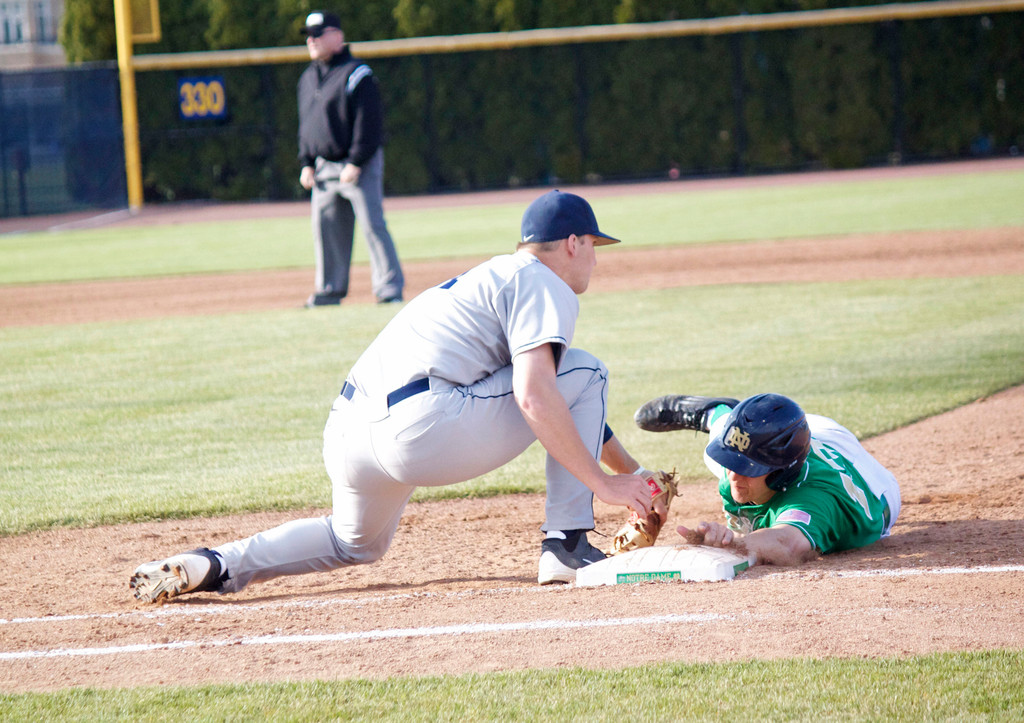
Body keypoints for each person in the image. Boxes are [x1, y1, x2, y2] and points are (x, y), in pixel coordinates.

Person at [130, 190, 657, 603]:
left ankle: (214, 563)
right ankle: (566, 545)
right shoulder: (544, 282)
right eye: (594, 245)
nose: (595, 259)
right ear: (573, 243)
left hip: (350, 433)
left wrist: (633, 472)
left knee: (353, 542)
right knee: (588, 369)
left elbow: (559, 400)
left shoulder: (495, 278)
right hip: (424, 425)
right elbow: (538, 397)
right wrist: (605, 487)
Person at [633, 393, 901, 565]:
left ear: (781, 471)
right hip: (810, 438)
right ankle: (714, 413)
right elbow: (742, 464)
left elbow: (786, 543)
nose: (733, 474)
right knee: (719, 452)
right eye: (733, 464)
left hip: (872, 481)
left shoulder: (813, 499)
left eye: (748, 467)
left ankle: (722, 415)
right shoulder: (739, 471)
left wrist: (728, 544)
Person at [297, 10, 404, 307]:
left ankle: (389, 290)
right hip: (322, 168)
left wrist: (356, 161)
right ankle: (329, 290)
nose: (311, 40)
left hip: (358, 165)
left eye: (318, 34)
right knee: (325, 230)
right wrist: (306, 162)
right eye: (308, 35)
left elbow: (369, 124)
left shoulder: (358, 74)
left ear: (337, 36)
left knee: (373, 226)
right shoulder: (308, 78)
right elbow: (307, 126)